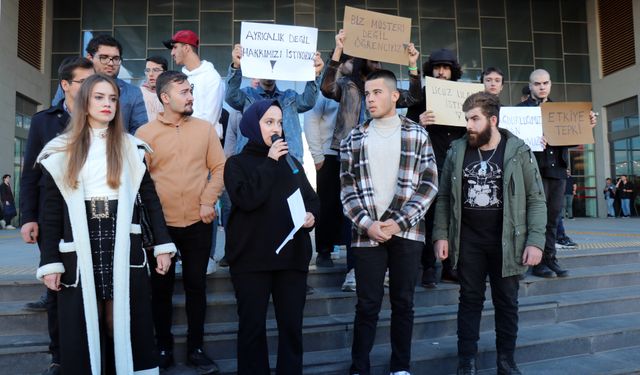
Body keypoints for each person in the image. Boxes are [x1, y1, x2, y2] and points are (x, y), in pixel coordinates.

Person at [36, 73, 176, 374]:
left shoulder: (131, 148)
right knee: (88, 324)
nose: (107, 104)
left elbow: (150, 201)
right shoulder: (59, 150)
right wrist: (50, 261)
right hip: (80, 242)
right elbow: (49, 213)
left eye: (112, 98)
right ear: (84, 102)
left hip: (123, 242)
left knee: (121, 321)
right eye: (99, 97)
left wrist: (162, 246)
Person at [433, 92, 546, 375]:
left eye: (474, 119)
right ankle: (466, 362)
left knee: (506, 302)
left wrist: (535, 241)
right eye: (466, 119)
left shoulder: (518, 150)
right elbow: (444, 196)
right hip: (468, 240)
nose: (468, 125)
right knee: (469, 300)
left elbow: (536, 198)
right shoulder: (457, 150)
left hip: (507, 241)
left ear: (492, 120)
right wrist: (441, 235)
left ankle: (506, 362)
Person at [341, 70, 438, 375]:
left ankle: (400, 367)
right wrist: (368, 224)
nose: (370, 99)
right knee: (367, 305)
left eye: (377, 92)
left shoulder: (416, 133)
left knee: (403, 303)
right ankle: (360, 367)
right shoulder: (353, 138)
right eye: (367, 94)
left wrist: (399, 223)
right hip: (366, 233)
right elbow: (346, 189)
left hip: (407, 233)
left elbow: (430, 184)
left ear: (394, 96)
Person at [135, 70, 226, 373]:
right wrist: (152, 224)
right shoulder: (145, 135)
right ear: (165, 98)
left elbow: (219, 167)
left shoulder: (205, 129)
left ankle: (196, 349)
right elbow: (140, 182)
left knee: (196, 287)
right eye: (184, 92)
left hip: (200, 222)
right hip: (162, 229)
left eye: (191, 91)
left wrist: (207, 201)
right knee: (159, 291)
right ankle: (162, 348)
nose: (191, 97)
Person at [224, 99, 320, 375]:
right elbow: (247, 199)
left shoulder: (292, 163)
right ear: (253, 125)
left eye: (279, 122)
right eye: (269, 122)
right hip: (251, 261)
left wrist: (312, 217)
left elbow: (312, 200)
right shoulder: (237, 164)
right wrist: (269, 162)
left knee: (291, 328)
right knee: (252, 329)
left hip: (290, 260)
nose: (276, 128)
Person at [321, 30, 422, 291]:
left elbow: (413, 98)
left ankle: (382, 268)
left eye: (380, 62)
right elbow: (325, 87)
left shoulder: (387, 89)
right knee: (352, 214)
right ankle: (354, 270)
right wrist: (338, 50)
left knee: (381, 208)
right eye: (373, 60)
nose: (377, 64)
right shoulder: (349, 86)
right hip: (350, 154)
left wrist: (412, 65)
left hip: (384, 155)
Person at [19, 56, 95, 375]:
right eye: (83, 82)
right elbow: (30, 173)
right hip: (53, 219)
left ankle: (93, 350)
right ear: (65, 85)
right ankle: (59, 354)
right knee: (57, 285)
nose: (92, 88)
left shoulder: (102, 117)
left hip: (92, 217)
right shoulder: (43, 121)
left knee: (92, 285)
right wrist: (28, 217)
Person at [517, 69, 596, 278]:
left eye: (545, 83)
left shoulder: (562, 110)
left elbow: (573, 137)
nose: (541, 87)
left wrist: (586, 126)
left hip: (558, 172)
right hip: (533, 172)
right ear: (530, 85)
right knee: (536, 218)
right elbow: (511, 141)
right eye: (537, 84)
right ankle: (535, 261)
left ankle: (549, 259)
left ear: (550, 84)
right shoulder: (519, 111)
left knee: (553, 217)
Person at [406, 48, 466, 287]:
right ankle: (429, 267)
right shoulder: (422, 95)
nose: (441, 72)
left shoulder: (464, 95)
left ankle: (450, 266)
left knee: (455, 217)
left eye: (446, 68)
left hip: (457, 165)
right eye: (437, 67)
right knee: (430, 218)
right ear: (431, 70)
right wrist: (419, 122)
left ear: (453, 71)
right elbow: (406, 128)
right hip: (429, 165)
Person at [225, 44, 324, 162]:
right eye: (264, 66)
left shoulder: (289, 97)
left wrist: (315, 74)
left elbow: (308, 101)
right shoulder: (248, 96)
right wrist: (236, 66)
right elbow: (231, 97)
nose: (268, 70)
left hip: (287, 163)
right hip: (253, 164)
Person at [52, 35, 148, 134]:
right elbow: (54, 118)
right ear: (90, 58)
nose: (110, 63)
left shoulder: (133, 93)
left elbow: (140, 131)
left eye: (115, 58)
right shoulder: (72, 85)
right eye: (104, 57)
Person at [303, 87, 343, 269]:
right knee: (327, 202)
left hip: (356, 151)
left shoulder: (360, 83)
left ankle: (344, 244)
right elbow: (311, 119)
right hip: (329, 152)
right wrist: (317, 155)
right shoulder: (327, 87)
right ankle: (324, 249)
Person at [164, 30, 225, 139]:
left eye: (175, 47)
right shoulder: (179, 78)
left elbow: (209, 119)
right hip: (181, 139)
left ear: (186, 48)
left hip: (205, 142)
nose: (172, 53)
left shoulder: (211, 77)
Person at [141, 55, 167, 121]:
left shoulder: (171, 93)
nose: (151, 74)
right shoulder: (138, 93)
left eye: (155, 70)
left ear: (165, 73)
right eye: (147, 70)